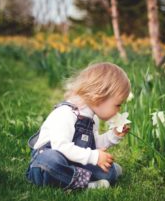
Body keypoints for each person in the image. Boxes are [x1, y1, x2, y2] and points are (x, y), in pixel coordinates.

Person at [26, 62, 131, 190]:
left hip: (73, 162)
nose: (118, 110)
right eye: (117, 105)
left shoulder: (92, 118)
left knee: (108, 173)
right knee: (51, 160)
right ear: (98, 97)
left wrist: (113, 135)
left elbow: (93, 145)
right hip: (46, 163)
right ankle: (86, 185)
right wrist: (94, 157)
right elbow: (60, 147)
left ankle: (74, 179)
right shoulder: (66, 113)